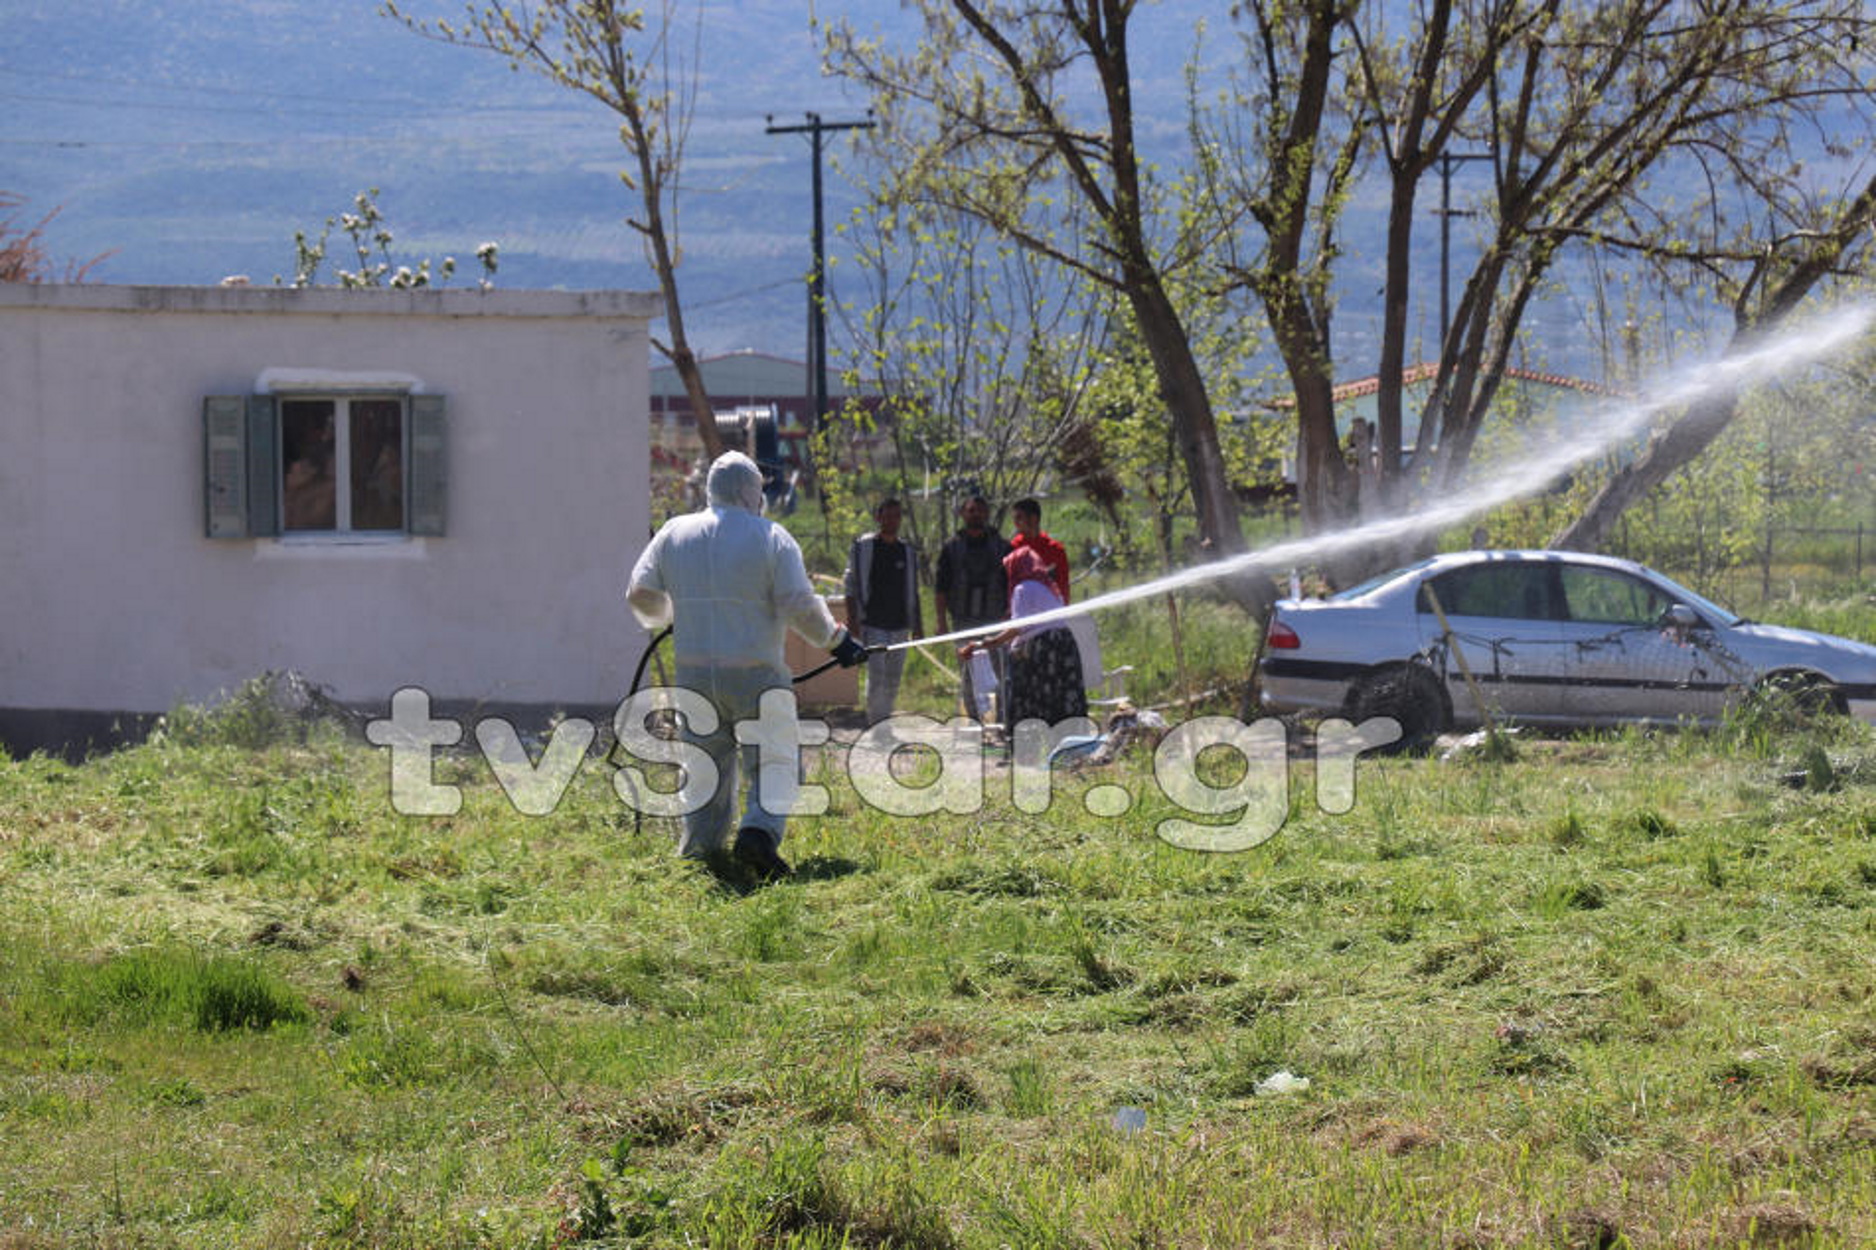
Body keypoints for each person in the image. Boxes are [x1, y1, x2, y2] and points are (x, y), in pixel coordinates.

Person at [627, 451, 866, 880]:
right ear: (748, 490)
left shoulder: (673, 533)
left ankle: (702, 856)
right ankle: (757, 834)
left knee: (704, 771)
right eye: (759, 488)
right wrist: (837, 642)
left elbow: (640, 594)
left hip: (695, 673)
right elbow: (798, 604)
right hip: (757, 674)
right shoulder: (770, 536)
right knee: (775, 761)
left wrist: (674, 614)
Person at [961, 547, 1087, 734]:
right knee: (1059, 694)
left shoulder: (1023, 588)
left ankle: (1031, 744)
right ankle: (1066, 739)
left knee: (1033, 695)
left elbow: (1019, 626)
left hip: (1043, 649)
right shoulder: (1050, 587)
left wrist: (991, 642)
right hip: (1064, 645)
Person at [843, 498, 923, 725]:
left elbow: (913, 589)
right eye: (887, 516)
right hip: (873, 622)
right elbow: (850, 584)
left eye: (896, 516)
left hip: (899, 623)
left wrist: (917, 625)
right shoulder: (863, 548)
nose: (892, 521)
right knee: (876, 675)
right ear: (878, 518)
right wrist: (853, 619)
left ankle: (885, 718)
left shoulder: (907, 551)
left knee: (893, 677)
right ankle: (875, 721)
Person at [932, 495, 1010, 719]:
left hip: (995, 619)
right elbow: (941, 587)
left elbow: (1011, 584)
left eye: (980, 510)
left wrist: (1009, 615)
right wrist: (940, 621)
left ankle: (1003, 721)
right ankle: (974, 720)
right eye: (971, 510)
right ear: (963, 514)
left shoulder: (1002, 546)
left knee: (1001, 672)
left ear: (987, 514)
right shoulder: (951, 548)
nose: (975, 514)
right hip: (963, 619)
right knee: (968, 673)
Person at [1008, 497, 1071, 603]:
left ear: (1033, 518)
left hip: (1049, 611)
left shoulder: (1055, 549)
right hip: (1022, 611)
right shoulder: (1012, 548)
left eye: (1019, 518)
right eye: (1014, 519)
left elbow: (1063, 588)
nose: (1015, 523)